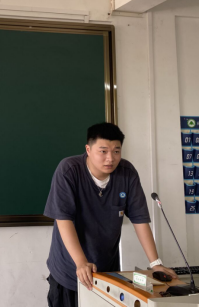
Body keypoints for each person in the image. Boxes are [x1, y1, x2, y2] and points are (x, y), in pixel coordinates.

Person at [44, 122, 177, 307]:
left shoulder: (127, 173)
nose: (110, 158)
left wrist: (155, 263)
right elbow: (63, 219)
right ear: (88, 149)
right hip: (69, 270)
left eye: (116, 151)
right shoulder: (69, 170)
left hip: (107, 272)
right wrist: (81, 262)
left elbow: (140, 220)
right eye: (103, 151)